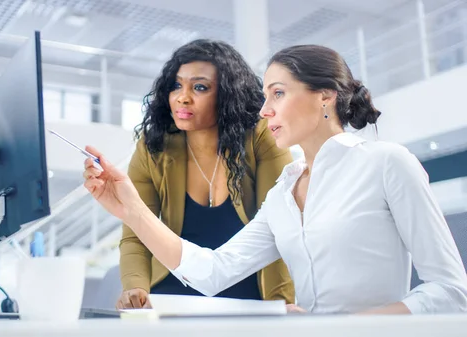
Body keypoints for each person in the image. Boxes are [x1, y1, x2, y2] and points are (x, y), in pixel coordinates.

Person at [83, 44, 467, 314]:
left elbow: (451, 292)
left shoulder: (388, 163)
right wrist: (131, 209)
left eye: (278, 94)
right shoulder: (284, 191)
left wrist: (342, 328)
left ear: (324, 97)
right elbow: (213, 272)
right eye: (265, 97)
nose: (264, 111)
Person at [116, 39, 295, 309]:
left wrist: (280, 304)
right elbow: (135, 231)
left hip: (248, 297)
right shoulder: (153, 145)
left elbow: (281, 230)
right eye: (177, 85)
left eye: (199, 87)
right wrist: (135, 287)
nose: (182, 97)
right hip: (172, 296)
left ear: (227, 94)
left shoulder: (261, 137)